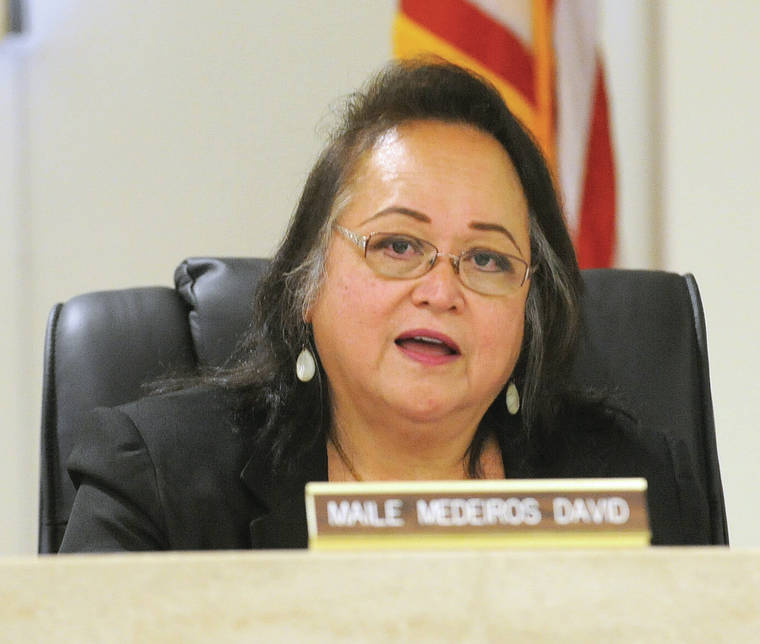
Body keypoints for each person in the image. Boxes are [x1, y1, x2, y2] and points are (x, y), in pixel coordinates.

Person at [60, 59, 711, 552]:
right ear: (307, 282)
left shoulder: (636, 485)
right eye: (398, 246)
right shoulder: (160, 482)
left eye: (487, 260)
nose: (441, 292)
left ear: (529, 311)